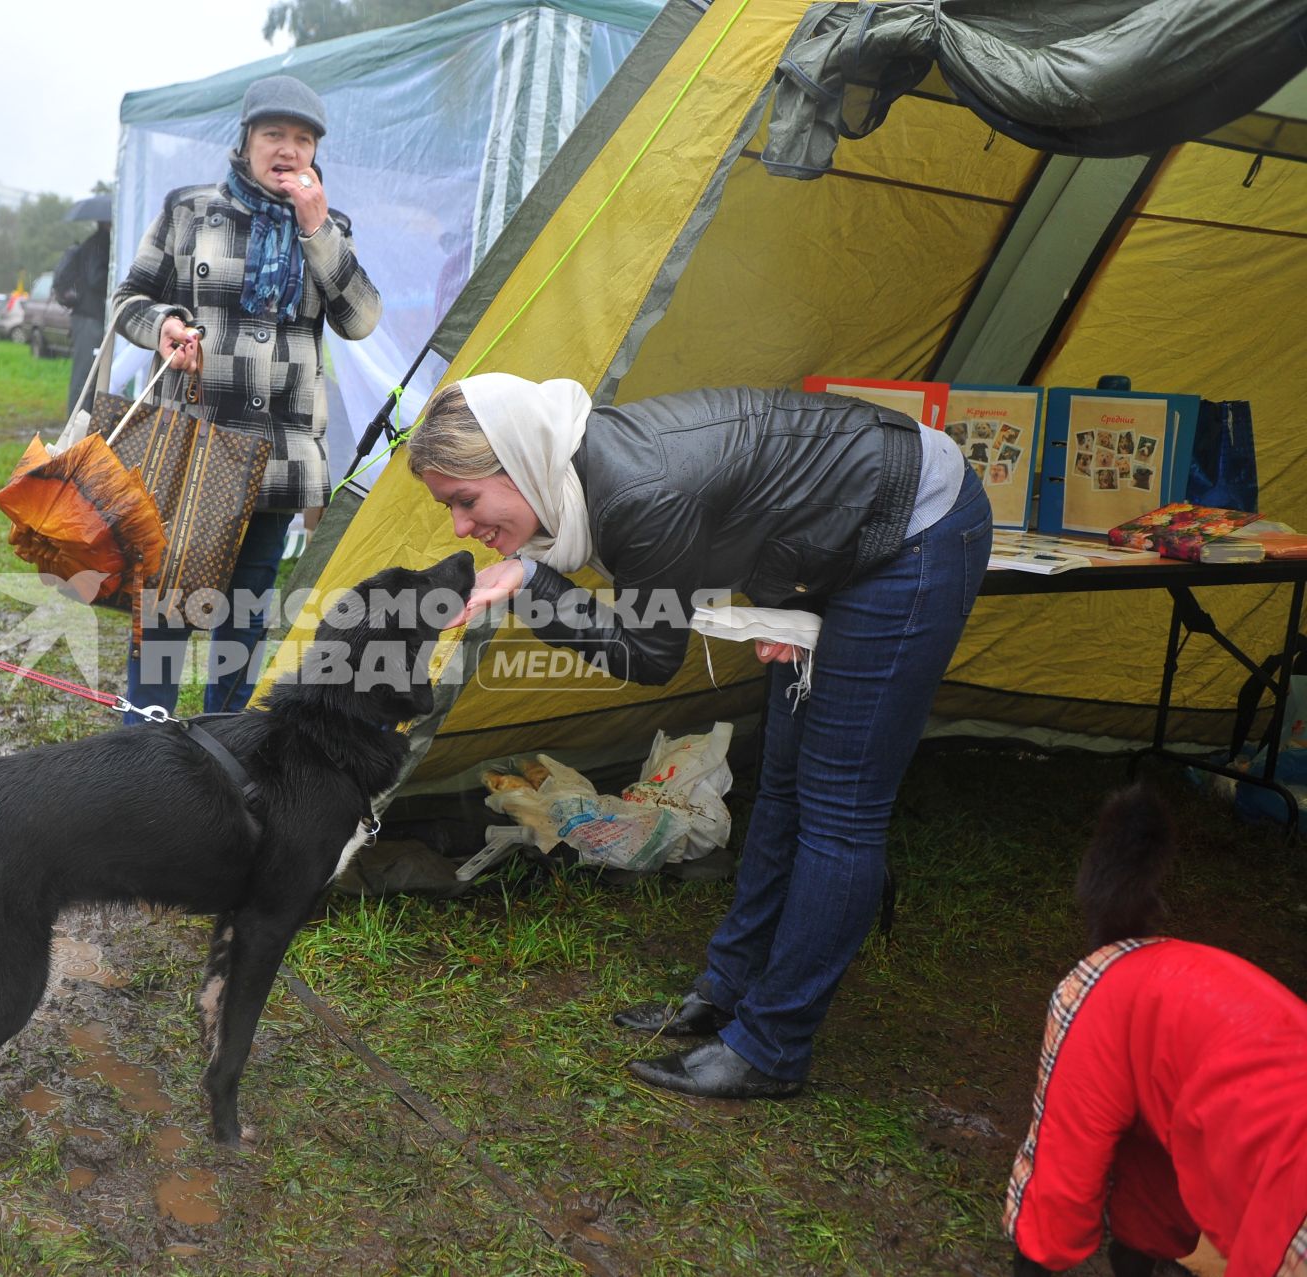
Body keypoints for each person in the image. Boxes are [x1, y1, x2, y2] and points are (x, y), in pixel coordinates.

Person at [408, 376, 990, 1098]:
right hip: (834, 524)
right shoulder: (587, 475)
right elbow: (754, 493)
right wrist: (785, 600)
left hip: (912, 531)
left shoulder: (635, 494)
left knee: (839, 808)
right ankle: (728, 991)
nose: (461, 527)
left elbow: (650, 655)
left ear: (521, 463)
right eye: (450, 508)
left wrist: (533, 581)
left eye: (466, 500)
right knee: (781, 785)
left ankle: (772, 1045)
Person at [111, 74, 380, 720]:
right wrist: (166, 326)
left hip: (280, 459)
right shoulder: (190, 210)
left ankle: (223, 755)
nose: (288, 149)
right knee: (168, 611)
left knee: (244, 620)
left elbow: (361, 319)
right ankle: (139, 748)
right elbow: (129, 302)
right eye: (274, 134)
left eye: (303, 139)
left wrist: (317, 230)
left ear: (315, 152)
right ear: (247, 141)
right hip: (195, 452)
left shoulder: (331, 228)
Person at [1005, 785, 1307, 1277]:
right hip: (1125, 1008)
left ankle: (1142, 1257)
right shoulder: (1295, 1220)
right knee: (1064, 1184)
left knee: (1162, 1175)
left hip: (1215, 1041)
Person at [53, 216, 110, 414]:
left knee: (86, 378)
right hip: (89, 318)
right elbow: (96, 279)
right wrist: (115, 278)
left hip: (86, 317)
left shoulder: (94, 242)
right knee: (84, 379)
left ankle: (79, 426)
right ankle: (74, 431)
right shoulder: (99, 243)